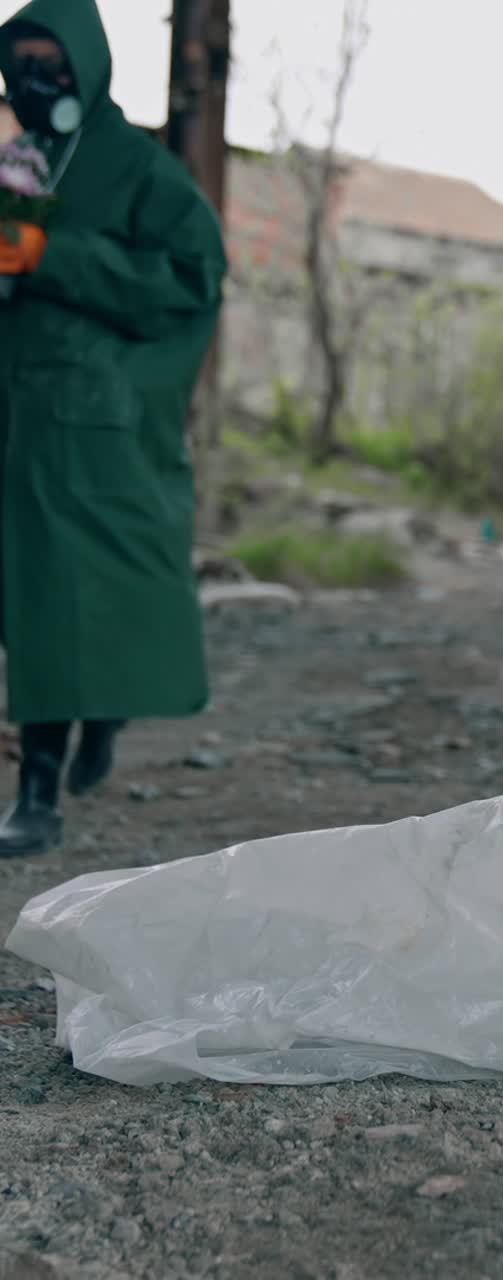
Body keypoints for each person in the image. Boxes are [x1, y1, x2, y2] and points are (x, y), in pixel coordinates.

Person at [0, 0, 227, 857]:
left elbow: (190, 275)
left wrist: (50, 257)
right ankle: (97, 710)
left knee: (57, 596)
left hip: (86, 420)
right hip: (15, 416)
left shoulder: (138, 169)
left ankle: (38, 794)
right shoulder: (20, 164)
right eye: (18, 63)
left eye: (49, 62)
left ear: (87, 66)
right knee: (29, 598)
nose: (33, 81)